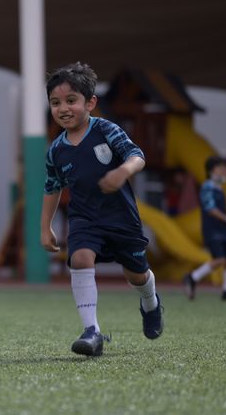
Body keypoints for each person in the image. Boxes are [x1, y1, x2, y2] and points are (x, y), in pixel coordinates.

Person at [40, 62, 163, 357]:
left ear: (90, 103)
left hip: (121, 219)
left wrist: (123, 171)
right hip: (85, 218)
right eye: (55, 103)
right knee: (80, 258)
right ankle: (91, 332)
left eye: (71, 100)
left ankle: (151, 303)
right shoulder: (56, 150)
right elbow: (52, 187)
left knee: (136, 275)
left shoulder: (106, 130)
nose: (63, 109)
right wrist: (45, 227)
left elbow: (137, 155)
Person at [183, 157, 226, 301]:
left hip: (224, 230)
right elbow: (210, 208)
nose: (224, 171)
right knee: (219, 259)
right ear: (211, 171)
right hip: (213, 230)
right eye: (220, 168)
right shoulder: (207, 187)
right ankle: (193, 277)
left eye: (224, 168)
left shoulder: (219, 188)